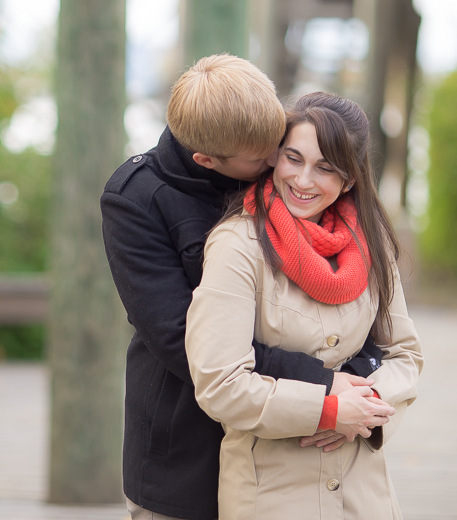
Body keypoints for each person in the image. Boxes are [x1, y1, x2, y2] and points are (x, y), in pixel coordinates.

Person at [101, 55, 385, 520]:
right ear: (207, 161)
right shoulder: (137, 198)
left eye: (281, 145)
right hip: (186, 450)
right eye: (266, 158)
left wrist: (356, 383)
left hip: (283, 449)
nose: (280, 165)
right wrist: (324, 382)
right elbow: (179, 340)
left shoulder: (278, 177)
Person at [185, 91, 424, 520]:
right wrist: (327, 410)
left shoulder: (370, 245)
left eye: (326, 168)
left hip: (362, 488)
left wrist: (367, 406)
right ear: (275, 157)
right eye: (293, 159)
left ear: (350, 179)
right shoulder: (238, 246)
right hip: (271, 490)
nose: (303, 180)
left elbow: (405, 355)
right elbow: (220, 384)